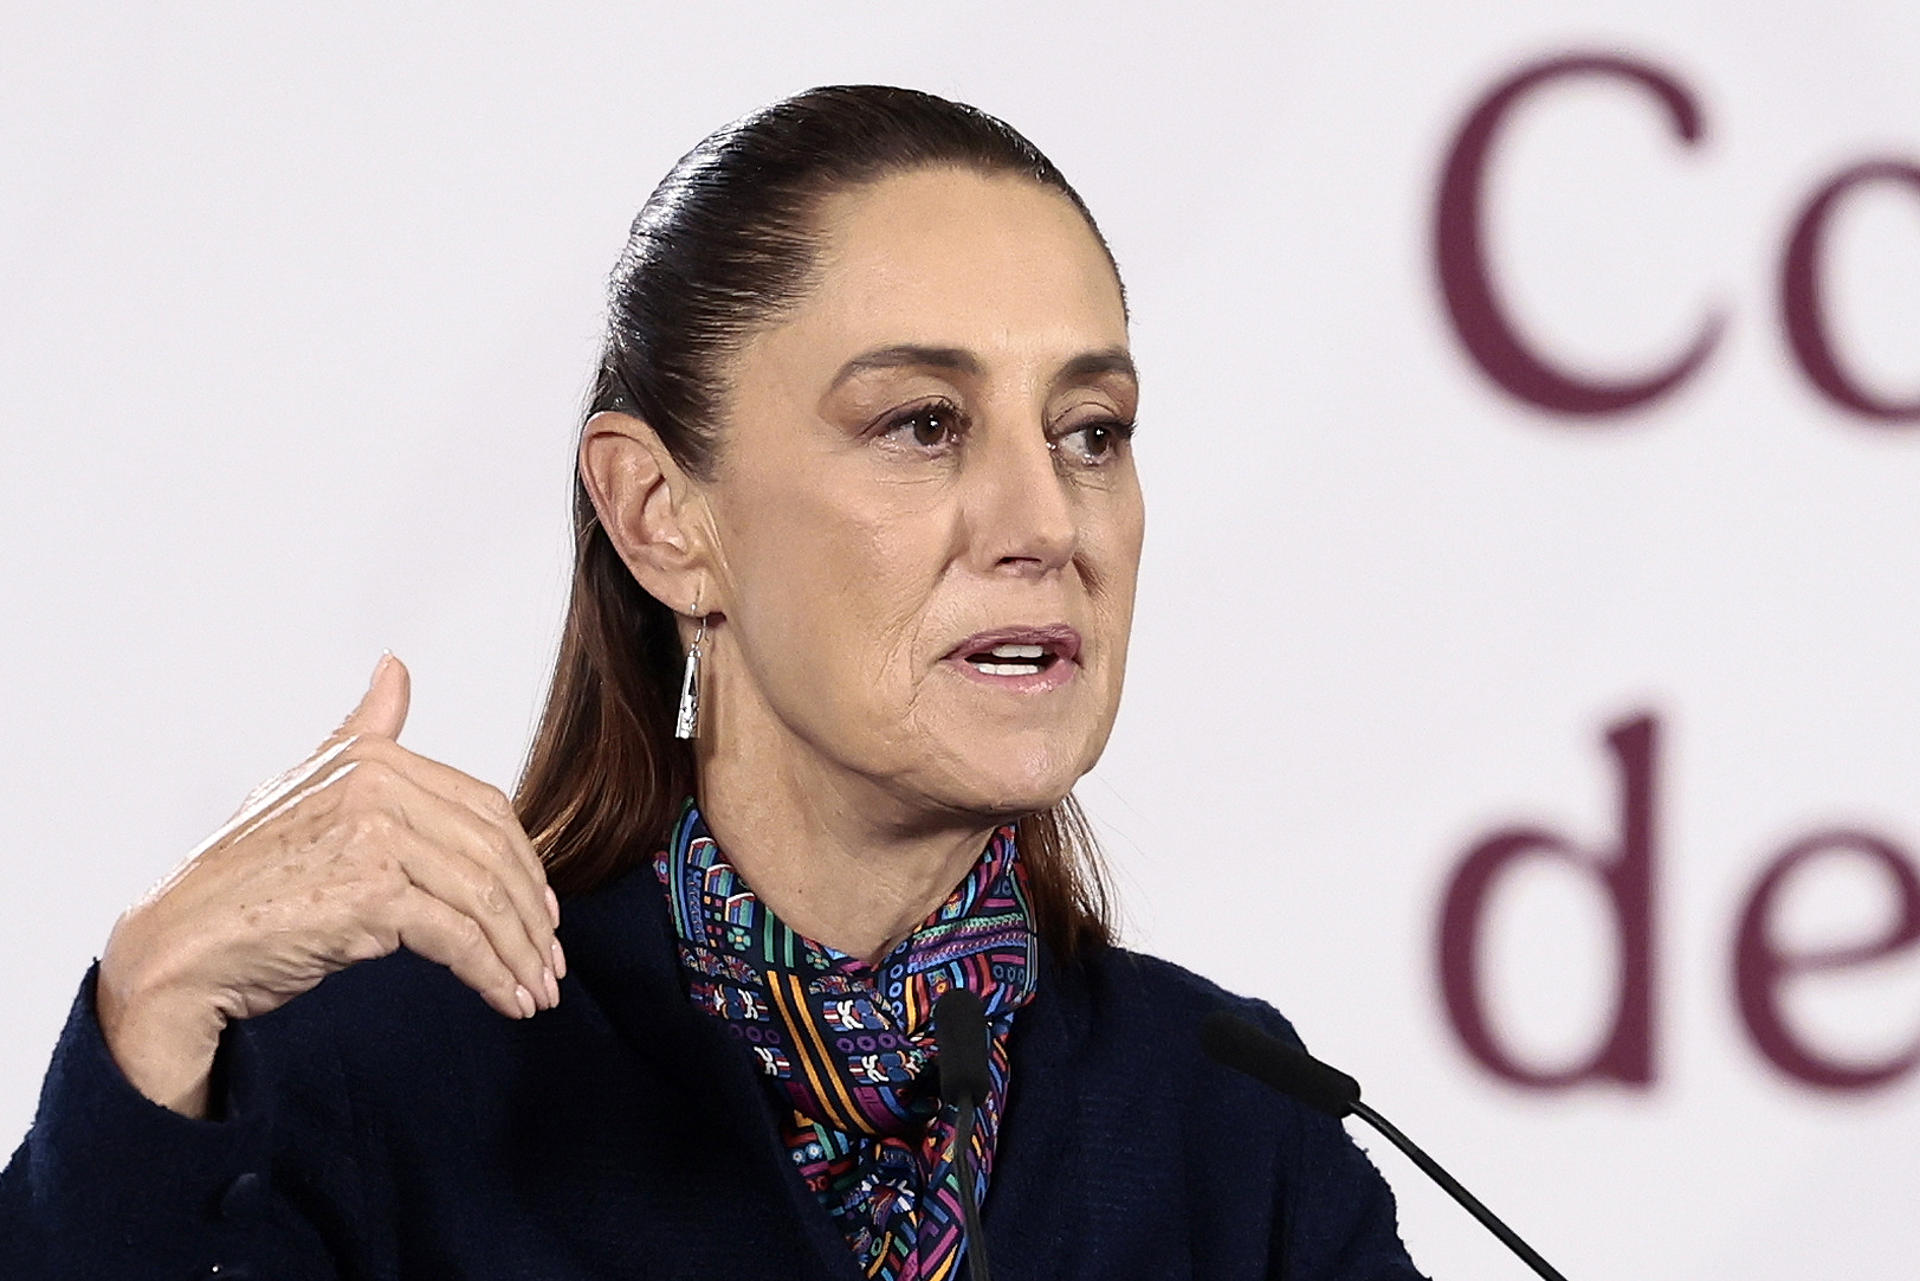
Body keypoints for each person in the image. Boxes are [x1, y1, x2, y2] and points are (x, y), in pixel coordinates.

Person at [0, 85, 1426, 1280]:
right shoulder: (374, 1081)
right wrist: (150, 1013)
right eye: (924, 423)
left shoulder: (1235, 1127)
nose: (1045, 520)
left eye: (1092, 430)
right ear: (661, 514)